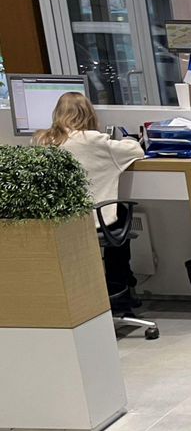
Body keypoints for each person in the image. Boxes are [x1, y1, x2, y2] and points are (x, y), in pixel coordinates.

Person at [34, 92, 145, 306]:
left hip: (60, 221)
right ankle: (119, 287)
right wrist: (130, 139)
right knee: (120, 213)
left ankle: (113, 288)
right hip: (93, 221)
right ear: (88, 114)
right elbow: (136, 151)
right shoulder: (93, 140)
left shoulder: (43, 141)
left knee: (117, 213)